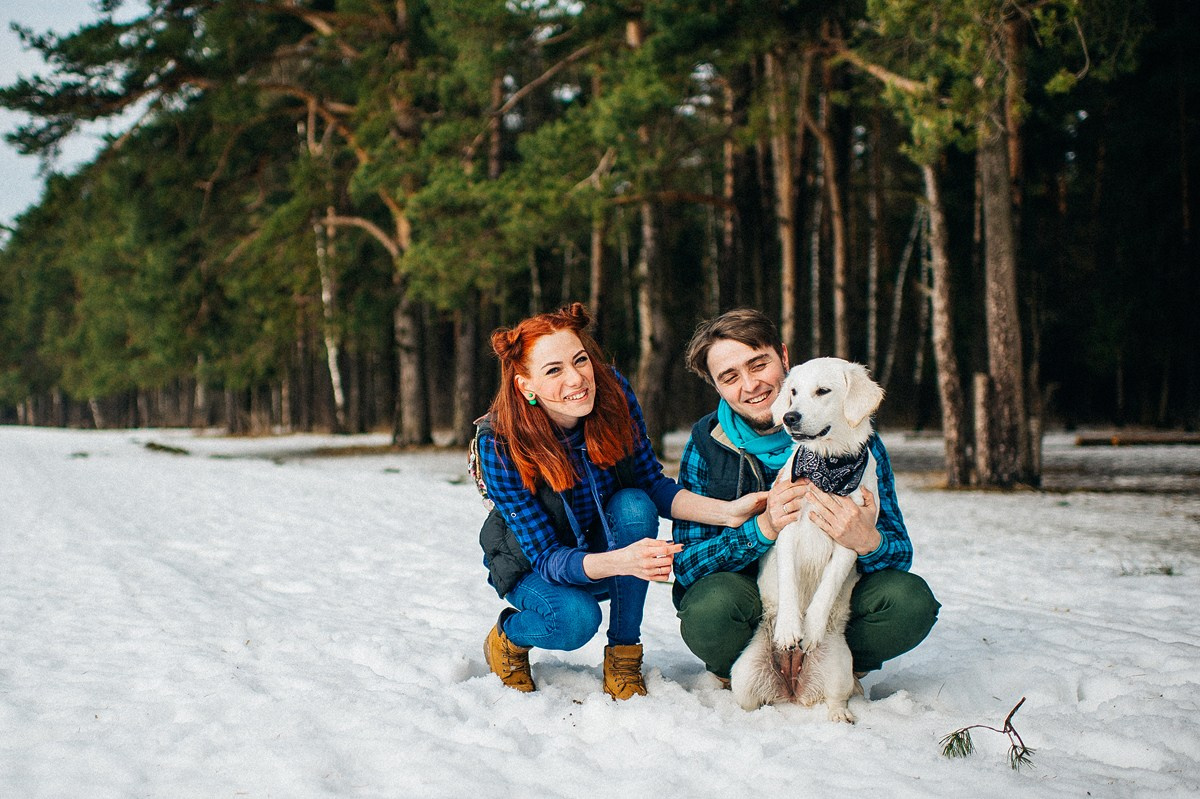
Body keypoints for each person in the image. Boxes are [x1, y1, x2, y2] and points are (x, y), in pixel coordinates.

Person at [475, 303, 764, 700]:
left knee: (634, 504)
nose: (576, 378)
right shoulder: (499, 443)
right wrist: (623, 561)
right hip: (533, 565)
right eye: (554, 370)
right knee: (574, 620)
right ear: (526, 386)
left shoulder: (612, 393)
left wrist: (728, 513)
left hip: (600, 541)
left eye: (580, 360)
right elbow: (546, 557)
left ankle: (624, 654)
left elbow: (652, 484)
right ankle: (508, 638)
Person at [671, 308, 940, 687]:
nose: (750, 385)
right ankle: (741, 669)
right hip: (752, 603)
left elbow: (899, 553)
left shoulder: (857, 442)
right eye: (730, 377)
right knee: (709, 607)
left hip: (835, 599)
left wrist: (867, 540)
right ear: (716, 386)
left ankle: (838, 666)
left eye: (758, 364)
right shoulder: (706, 445)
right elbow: (687, 565)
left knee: (909, 601)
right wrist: (761, 529)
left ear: (783, 356)